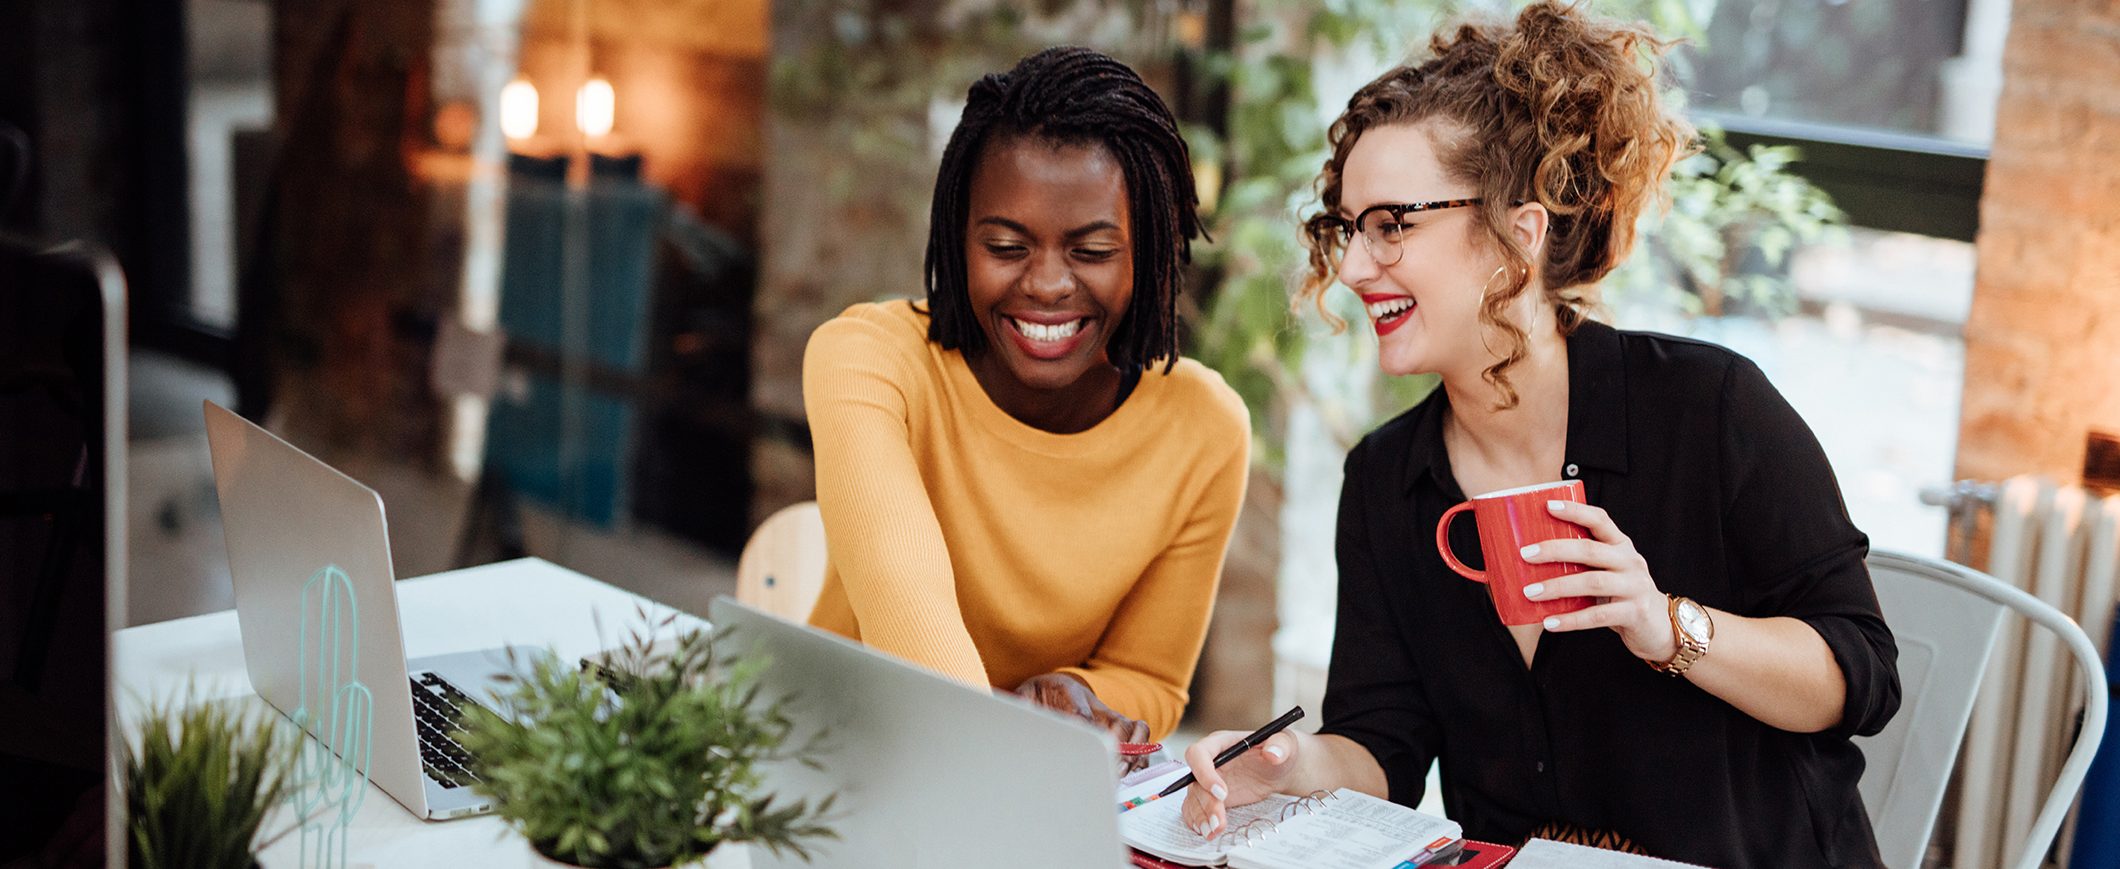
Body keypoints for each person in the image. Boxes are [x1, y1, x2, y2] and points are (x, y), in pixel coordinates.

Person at [1177, 5, 1899, 866]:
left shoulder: (1709, 408)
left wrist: (1667, 625)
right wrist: (1289, 766)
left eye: (1392, 224)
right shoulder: (1387, 478)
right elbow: (1386, 745)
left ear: (1518, 234)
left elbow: (1860, 676)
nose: (1357, 266)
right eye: (1349, 227)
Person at [801, 46, 1250, 747]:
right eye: (1006, 245)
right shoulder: (868, 360)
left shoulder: (1204, 429)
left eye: (1093, 252)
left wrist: (1084, 694)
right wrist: (1009, 732)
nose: (1045, 284)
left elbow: (1150, 678)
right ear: (958, 239)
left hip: (1023, 782)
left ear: (1152, 253)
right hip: (842, 758)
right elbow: (904, 606)